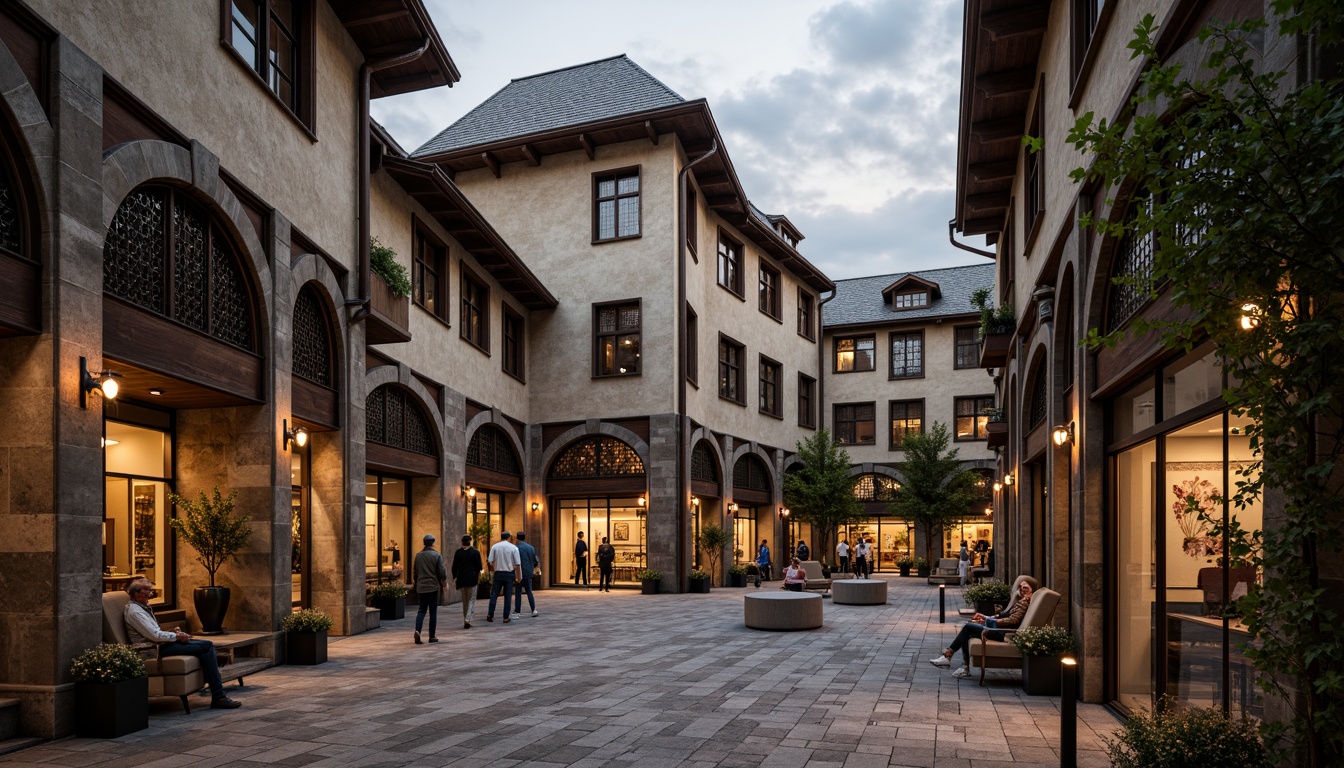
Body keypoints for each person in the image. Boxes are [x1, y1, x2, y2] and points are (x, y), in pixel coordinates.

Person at [123, 578, 240, 709]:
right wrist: (176, 636)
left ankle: (217, 689)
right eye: (145, 590)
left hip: (160, 645)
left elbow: (155, 632)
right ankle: (218, 694)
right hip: (152, 650)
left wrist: (176, 634)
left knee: (205, 646)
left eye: (149, 589)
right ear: (135, 593)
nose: (149, 593)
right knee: (206, 646)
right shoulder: (135, 612)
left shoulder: (142, 608)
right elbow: (155, 636)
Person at [931, 580, 1035, 678]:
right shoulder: (1020, 601)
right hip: (999, 629)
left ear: (1032, 588)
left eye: (1025, 587)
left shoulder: (1024, 602)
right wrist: (986, 617)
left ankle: (949, 655)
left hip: (1002, 633)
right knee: (967, 633)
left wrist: (992, 622)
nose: (1022, 589)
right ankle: (963, 667)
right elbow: (1003, 615)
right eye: (1020, 587)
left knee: (968, 627)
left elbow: (1013, 620)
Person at [412, 533, 448, 644]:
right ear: (432, 543)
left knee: (421, 610)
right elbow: (442, 571)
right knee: (433, 612)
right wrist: (444, 582)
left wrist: (416, 583)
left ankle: (418, 630)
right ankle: (431, 636)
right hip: (433, 586)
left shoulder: (418, 556)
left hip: (421, 587)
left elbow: (415, 571)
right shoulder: (437, 555)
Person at [486, 530, 521, 623]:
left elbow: (490, 561)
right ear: (509, 537)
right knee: (508, 596)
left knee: (494, 594)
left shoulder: (495, 547)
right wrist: (518, 577)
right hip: (509, 574)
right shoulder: (513, 548)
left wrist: (493, 570)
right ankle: (506, 617)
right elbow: (517, 564)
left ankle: (490, 614)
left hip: (498, 573)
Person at [450, 534, 483, 629]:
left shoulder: (458, 553)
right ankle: (468, 618)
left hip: (461, 579)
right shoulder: (475, 552)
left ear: (462, 542)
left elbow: (454, 567)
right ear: (470, 541)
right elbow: (479, 567)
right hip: (472, 579)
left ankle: (465, 619)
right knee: (471, 600)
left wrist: (454, 577)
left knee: (465, 601)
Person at [513, 531, 539, 618]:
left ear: (517, 538)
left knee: (518, 592)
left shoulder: (516, 548)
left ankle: (517, 611)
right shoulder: (531, 548)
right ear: (525, 538)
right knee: (529, 592)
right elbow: (535, 561)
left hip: (519, 573)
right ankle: (533, 609)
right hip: (528, 573)